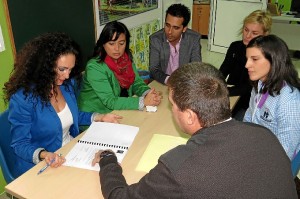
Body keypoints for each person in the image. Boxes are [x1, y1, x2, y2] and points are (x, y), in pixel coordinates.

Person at [92, 62, 297, 198]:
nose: (172, 110)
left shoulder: (179, 168)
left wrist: (108, 158)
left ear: (190, 115)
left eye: (172, 105)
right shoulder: (263, 134)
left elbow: (119, 196)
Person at [3, 32, 121, 178]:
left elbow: (73, 115)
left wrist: (100, 117)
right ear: (45, 66)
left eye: (70, 69)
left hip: (70, 152)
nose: (67, 76)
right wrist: (44, 154)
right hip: (41, 165)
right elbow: (20, 144)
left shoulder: (65, 85)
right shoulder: (23, 99)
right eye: (62, 69)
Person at [78, 21, 162, 114]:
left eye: (121, 43)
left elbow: (136, 82)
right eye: (111, 44)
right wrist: (143, 102)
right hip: (96, 117)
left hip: (119, 110)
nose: (117, 48)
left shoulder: (125, 59)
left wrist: (148, 94)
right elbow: (110, 101)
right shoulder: (94, 67)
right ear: (103, 44)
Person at [243, 34, 300, 160]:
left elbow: (286, 151)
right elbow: (249, 116)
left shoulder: (289, 100)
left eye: (255, 59)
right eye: (247, 59)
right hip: (258, 145)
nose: (247, 65)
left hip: (274, 160)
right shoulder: (259, 83)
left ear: (274, 60)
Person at [219, 10, 272, 120]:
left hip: (250, 101)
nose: (247, 35)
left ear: (265, 34)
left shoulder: (266, 55)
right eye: (246, 30)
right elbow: (223, 71)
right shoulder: (235, 46)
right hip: (230, 94)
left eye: (254, 33)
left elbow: (250, 86)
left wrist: (223, 92)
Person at [149, 3, 202, 84]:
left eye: (175, 28)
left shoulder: (193, 39)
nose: (169, 32)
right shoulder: (156, 39)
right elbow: (154, 69)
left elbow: (196, 68)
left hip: (185, 83)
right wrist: (168, 80)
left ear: (184, 28)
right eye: (167, 25)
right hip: (163, 81)